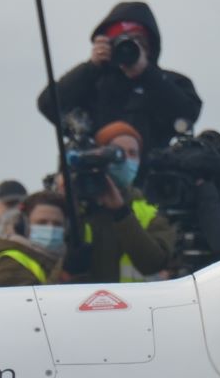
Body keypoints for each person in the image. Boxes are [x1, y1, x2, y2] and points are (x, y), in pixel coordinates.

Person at [37, 1, 202, 151]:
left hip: (151, 177)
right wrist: (91, 67)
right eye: (120, 40)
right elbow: (48, 104)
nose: (128, 46)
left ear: (150, 44)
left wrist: (147, 73)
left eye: (137, 40)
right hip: (97, 174)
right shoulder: (92, 83)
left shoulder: (170, 82)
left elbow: (187, 114)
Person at [68, 120, 176, 283]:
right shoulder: (76, 203)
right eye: (117, 152)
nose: (126, 160)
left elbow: (153, 263)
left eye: (133, 153)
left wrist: (121, 213)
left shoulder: (152, 208)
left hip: (136, 304)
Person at [0, 190, 67, 287]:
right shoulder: (9, 262)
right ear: (23, 226)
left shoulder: (57, 257)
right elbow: (26, 301)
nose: (51, 228)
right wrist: (63, 270)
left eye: (57, 224)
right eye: (42, 223)